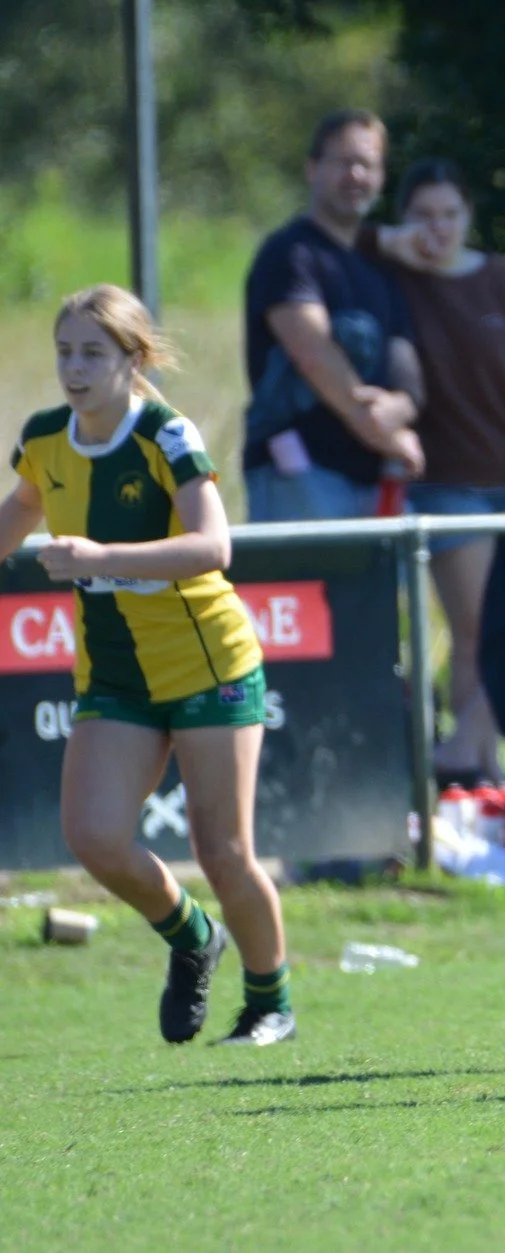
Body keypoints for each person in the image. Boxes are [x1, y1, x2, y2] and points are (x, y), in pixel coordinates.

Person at [0, 286, 294, 1046]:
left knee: (224, 854)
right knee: (94, 836)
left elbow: (213, 546)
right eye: (64, 352)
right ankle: (194, 936)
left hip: (208, 663)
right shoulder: (44, 440)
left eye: (93, 353)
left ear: (133, 360)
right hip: (116, 674)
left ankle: (271, 1005)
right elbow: (19, 512)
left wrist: (102, 558)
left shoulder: (166, 434)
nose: (74, 368)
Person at [361, 159, 505, 785]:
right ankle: (475, 768)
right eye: (423, 216)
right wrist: (391, 243)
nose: (438, 228)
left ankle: (470, 756)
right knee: (478, 633)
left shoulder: (501, 281)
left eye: (449, 214)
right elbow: (336, 242)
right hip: (445, 488)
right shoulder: (391, 278)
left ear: (469, 216)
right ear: (402, 220)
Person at [243, 110, 425, 522]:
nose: (356, 175)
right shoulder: (289, 254)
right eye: (344, 162)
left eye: (368, 165)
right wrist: (384, 432)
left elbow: (408, 374)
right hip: (299, 474)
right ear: (312, 169)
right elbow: (314, 355)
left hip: (374, 481)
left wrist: (399, 408)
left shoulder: (379, 269)